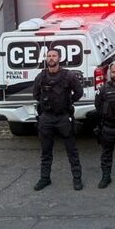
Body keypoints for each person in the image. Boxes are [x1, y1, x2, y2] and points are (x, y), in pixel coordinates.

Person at [32, 49, 84, 191]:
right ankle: (44, 178)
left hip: (63, 117)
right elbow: (35, 93)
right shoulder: (41, 76)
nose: (51, 58)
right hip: (47, 117)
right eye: (49, 56)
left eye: (54, 56)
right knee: (46, 151)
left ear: (59, 58)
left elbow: (79, 92)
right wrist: (45, 104)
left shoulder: (68, 76)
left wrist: (68, 102)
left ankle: (77, 179)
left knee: (71, 150)